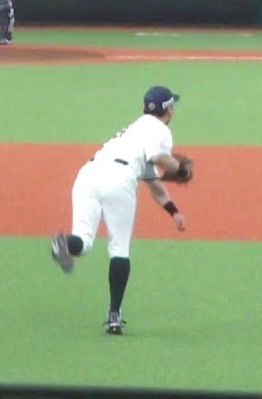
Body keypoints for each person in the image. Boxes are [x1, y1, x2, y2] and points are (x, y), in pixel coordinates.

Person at [50, 86, 190, 335]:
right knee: (119, 248)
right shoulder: (160, 130)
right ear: (168, 109)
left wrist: (174, 211)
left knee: (83, 242)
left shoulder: (132, 131)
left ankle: (63, 243)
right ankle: (114, 315)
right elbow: (160, 158)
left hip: (88, 175)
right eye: (172, 106)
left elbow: (154, 184)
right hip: (119, 179)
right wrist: (180, 168)